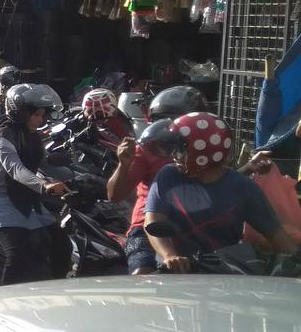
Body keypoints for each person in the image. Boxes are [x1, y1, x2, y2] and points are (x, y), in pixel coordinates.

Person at [144, 112, 298, 272]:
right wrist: (169, 256)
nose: (175, 155)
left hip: (223, 275)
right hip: (174, 274)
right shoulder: (169, 175)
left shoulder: (243, 188)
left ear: (203, 153)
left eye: (181, 149)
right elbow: (152, 222)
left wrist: (296, 262)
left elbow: (278, 237)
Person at [107, 85, 209, 273]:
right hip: (147, 227)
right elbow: (115, 195)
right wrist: (123, 164)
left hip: (197, 223)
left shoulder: (206, 148)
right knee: (143, 277)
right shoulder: (147, 148)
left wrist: (250, 169)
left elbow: (221, 181)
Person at [0, 83, 68, 284]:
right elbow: (15, 169)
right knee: (17, 254)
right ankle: (5, 298)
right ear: (19, 112)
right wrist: (44, 186)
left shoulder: (33, 136)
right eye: (35, 115)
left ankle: (56, 287)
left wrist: (69, 176)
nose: (40, 119)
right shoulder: (2, 137)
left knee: (62, 244)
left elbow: (43, 163)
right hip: (0, 201)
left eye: (42, 115)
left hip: (27, 199)